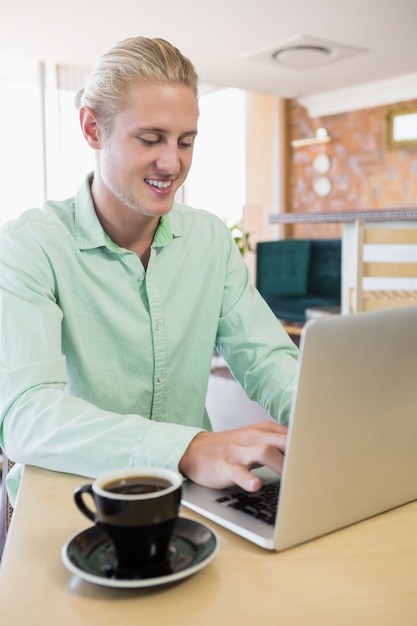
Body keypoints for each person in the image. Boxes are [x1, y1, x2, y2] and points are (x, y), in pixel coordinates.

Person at [0, 36, 298, 508]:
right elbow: (26, 416)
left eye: (185, 141)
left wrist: (328, 417)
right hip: (70, 502)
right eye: (150, 139)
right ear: (92, 129)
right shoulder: (29, 246)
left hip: (192, 498)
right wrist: (186, 448)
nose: (172, 163)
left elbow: (268, 361)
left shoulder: (209, 240)